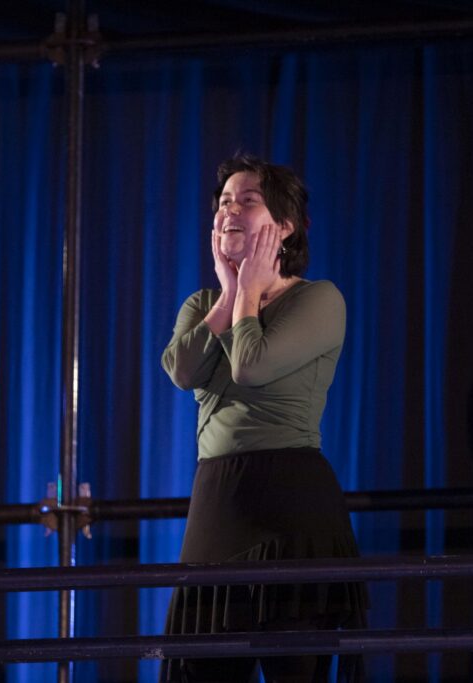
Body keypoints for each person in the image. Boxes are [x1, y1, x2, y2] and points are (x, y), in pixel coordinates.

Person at [160, 154, 367, 683]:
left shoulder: (319, 299)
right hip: (218, 501)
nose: (230, 209)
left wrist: (250, 289)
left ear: (286, 226)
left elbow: (250, 367)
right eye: (225, 201)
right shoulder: (204, 301)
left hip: (291, 503)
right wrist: (231, 294)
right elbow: (181, 371)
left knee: (293, 670)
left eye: (248, 200)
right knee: (202, 667)